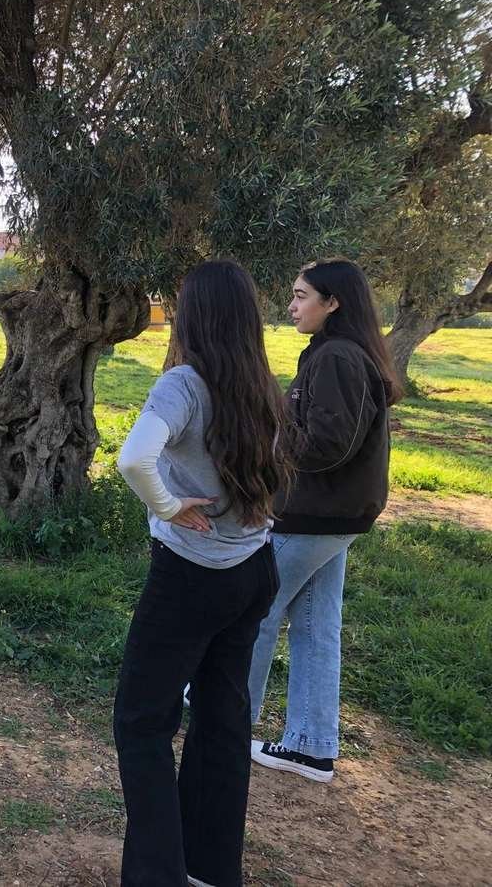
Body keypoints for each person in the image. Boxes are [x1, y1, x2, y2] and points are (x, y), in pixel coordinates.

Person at [113, 259, 289, 887]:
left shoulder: (184, 383)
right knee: (222, 716)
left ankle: (158, 876)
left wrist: (167, 506)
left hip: (192, 575)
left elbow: (134, 460)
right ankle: (211, 869)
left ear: (193, 315)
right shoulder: (262, 381)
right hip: (252, 570)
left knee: (142, 723)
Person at [248, 258, 401, 783]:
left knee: (254, 611)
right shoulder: (341, 353)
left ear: (333, 302)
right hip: (336, 518)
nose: (292, 305)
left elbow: (327, 445)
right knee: (316, 626)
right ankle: (311, 747)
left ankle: (224, 719)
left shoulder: (337, 356)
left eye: (301, 295)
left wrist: (273, 437)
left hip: (311, 515)